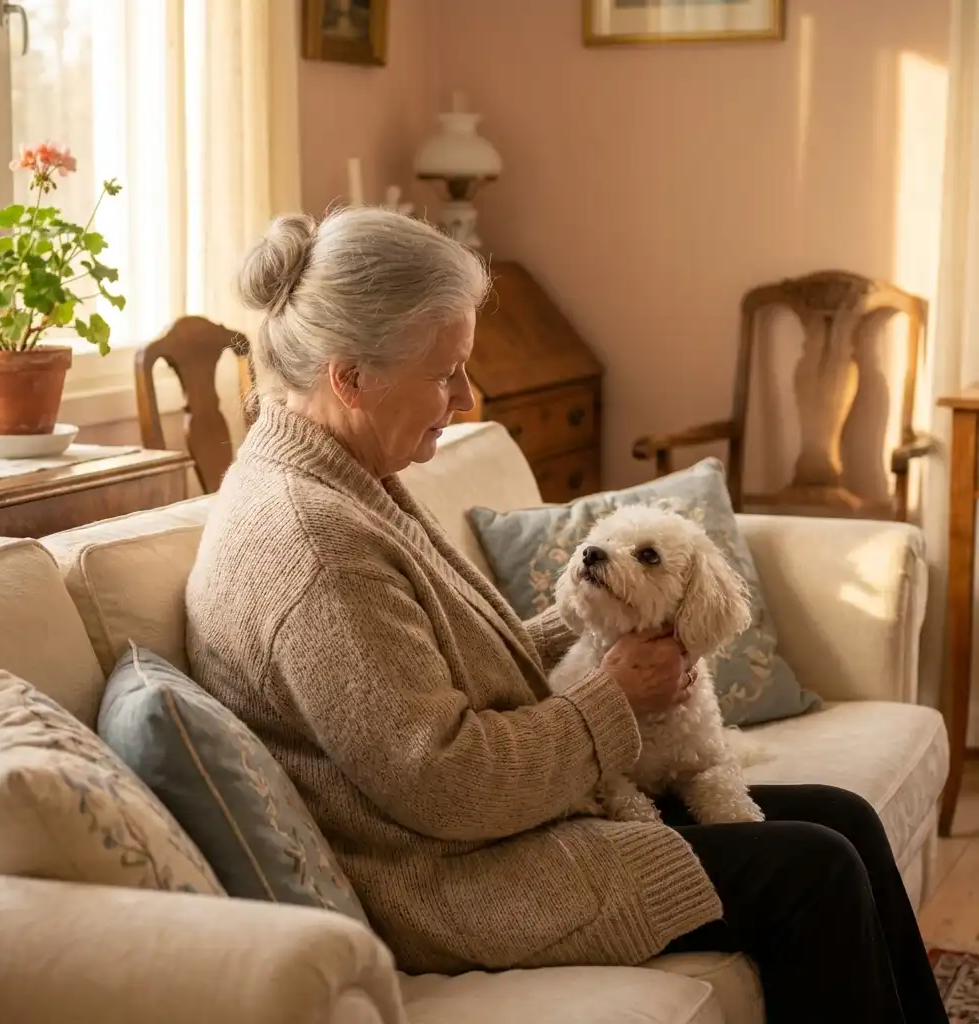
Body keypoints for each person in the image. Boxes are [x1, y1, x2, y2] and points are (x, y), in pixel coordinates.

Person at [185, 207, 946, 1024]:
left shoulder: (345, 476)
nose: (468, 399)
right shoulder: (313, 545)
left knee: (846, 819)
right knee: (815, 869)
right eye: (447, 373)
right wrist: (613, 699)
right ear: (350, 377)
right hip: (468, 878)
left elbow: (453, 669)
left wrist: (600, 626)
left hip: (518, 823)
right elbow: (447, 785)